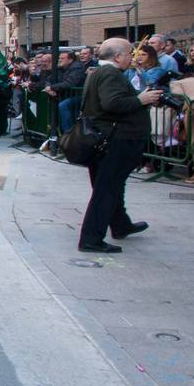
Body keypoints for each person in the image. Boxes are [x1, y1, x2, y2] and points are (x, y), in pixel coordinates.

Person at [76, 38, 161, 253]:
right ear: (117, 56)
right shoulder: (110, 74)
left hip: (107, 138)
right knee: (108, 188)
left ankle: (121, 225)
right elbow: (112, 103)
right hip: (115, 139)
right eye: (130, 53)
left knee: (111, 186)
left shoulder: (98, 72)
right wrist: (142, 99)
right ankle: (91, 239)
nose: (132, 57)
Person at [45, 50, 87, 134]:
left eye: (62, 58)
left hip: (78, 96)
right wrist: (49, 88)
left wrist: (52, 87)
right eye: (59, 58)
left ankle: (68, 134)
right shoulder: (61, 67)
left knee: (63, 105)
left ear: (70, 60)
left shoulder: (77, 67)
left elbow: (70, 83)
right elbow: (49, 79)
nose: (60, 60)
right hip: (66, 95)